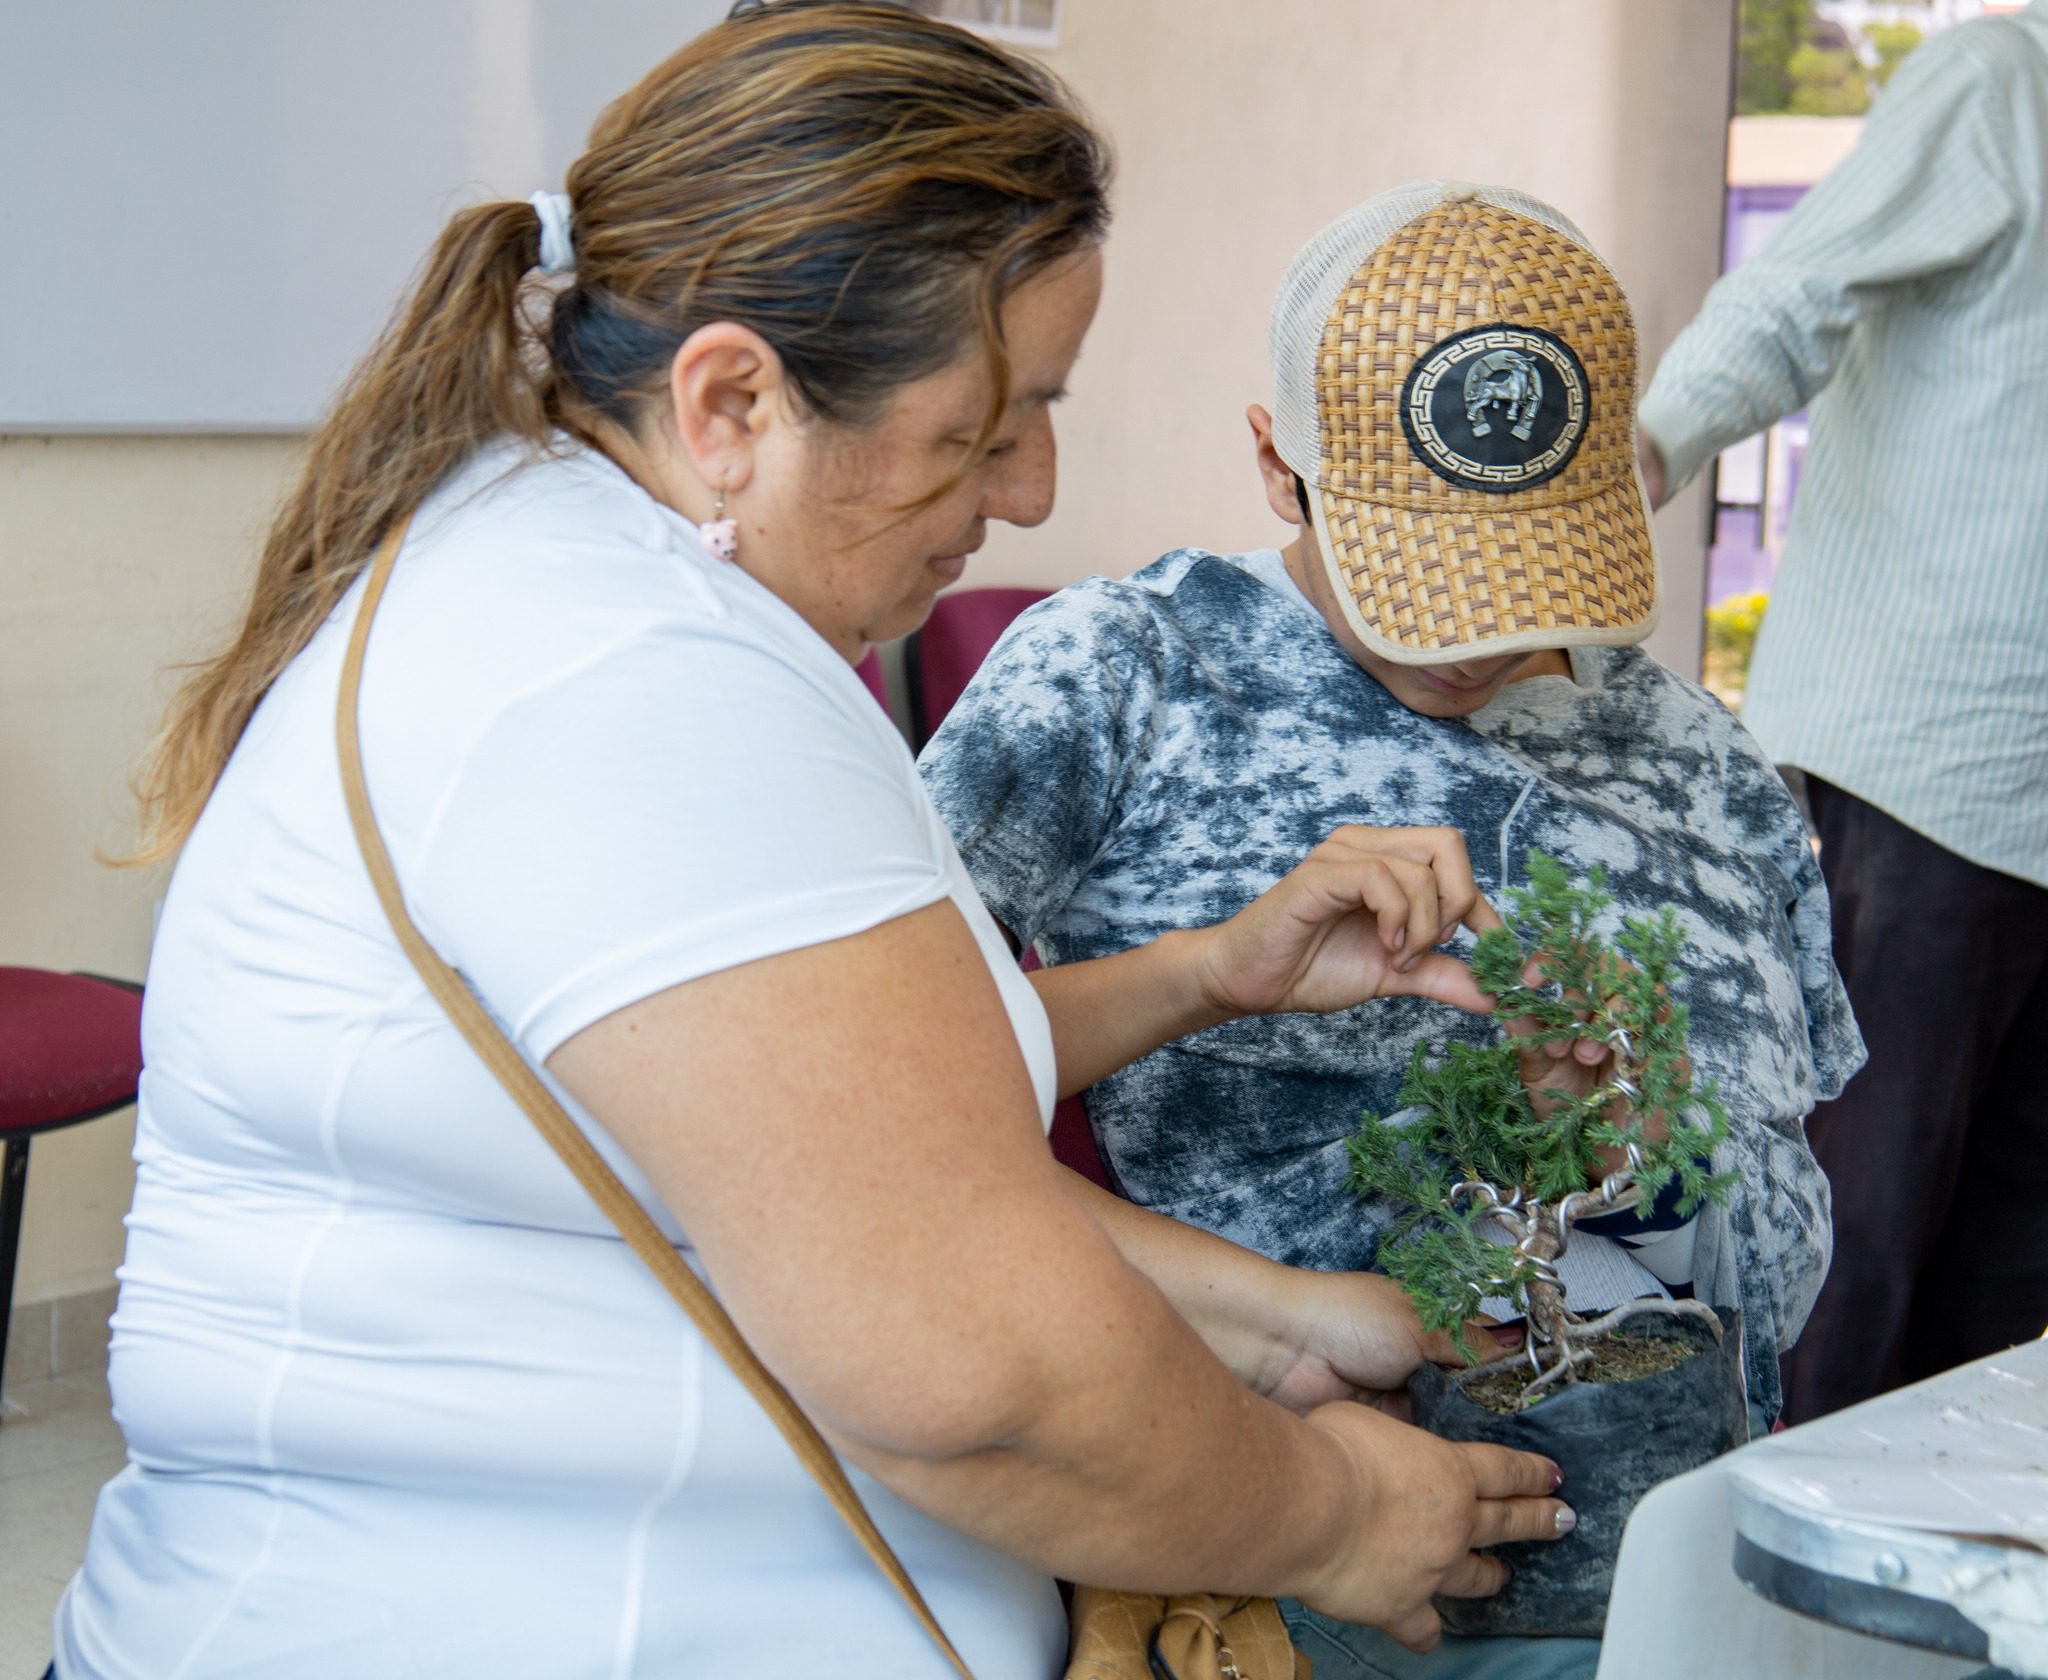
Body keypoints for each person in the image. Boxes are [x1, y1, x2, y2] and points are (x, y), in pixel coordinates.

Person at [52, 10, 1576, 1678]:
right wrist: (1334, 1515)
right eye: (983, 429)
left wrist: (1245, 1149)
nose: (1032, 489)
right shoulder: (637, 684)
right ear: (731, 403)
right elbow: (976, 1376)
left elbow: (826, 1108)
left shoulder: (562, 581)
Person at [920, 181, 1862, 1680]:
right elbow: (869, 1091)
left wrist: (1627, 1145)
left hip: (1668, 1553)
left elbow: (1786, 1210)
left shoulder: (1701, 761)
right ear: (1276, 468)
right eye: (1428, 586)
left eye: (1528, 573)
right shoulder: (1127, 678)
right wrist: (1210, 978)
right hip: (1287, 1550)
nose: (1482, 644)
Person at [1636, 2, 2048, 1425]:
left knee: (2010, 1285)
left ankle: (1919, 1614)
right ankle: (1740, 1619)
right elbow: (1791, 296)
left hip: (2034, 808)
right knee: (1848, 1250)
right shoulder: (2003, 82)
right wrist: (1633, 458)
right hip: (1933, 760)